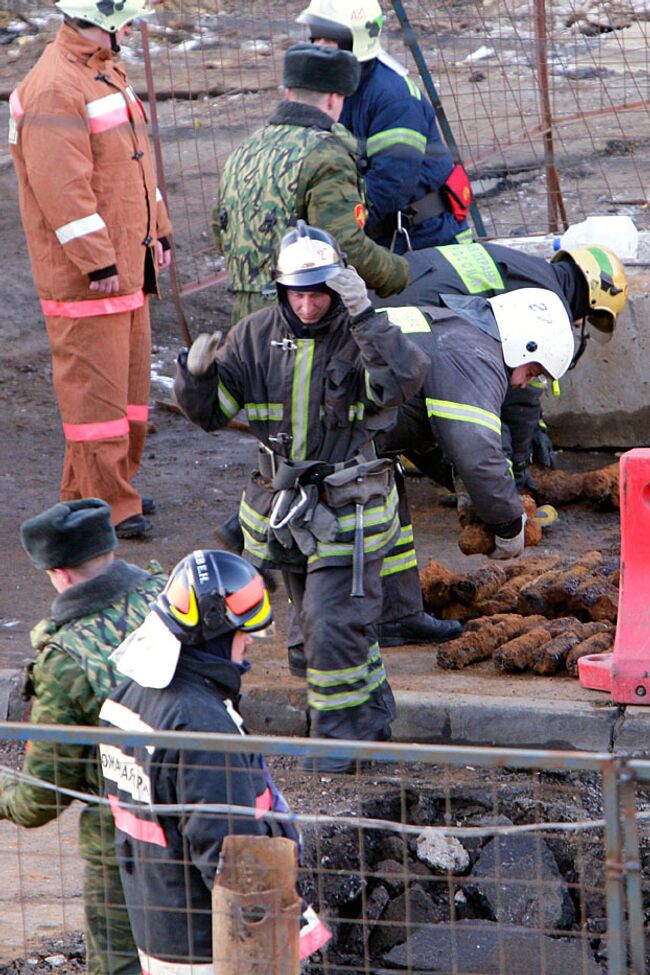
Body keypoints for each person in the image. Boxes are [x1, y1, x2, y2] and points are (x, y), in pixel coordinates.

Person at [175, 221, 429, 767]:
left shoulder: (360, 333)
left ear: (337, 287)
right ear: (281, 290)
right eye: (299, 293)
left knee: (332, 624)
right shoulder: (253, 335)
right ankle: (375, 714)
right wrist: (194, 378)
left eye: (320, 292)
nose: (310, 305)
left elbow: (405, 380)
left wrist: (366, 316)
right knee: (321, 628)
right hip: (282, 509)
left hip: (348, 506)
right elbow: (213, 414)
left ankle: (336, 749)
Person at [99, 549, 331, 972]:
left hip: (161, 923)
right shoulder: (201, 729)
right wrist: (269, 944)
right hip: (213, 948)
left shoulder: (129, 696)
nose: (247, 648)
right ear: (216, 635)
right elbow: (229, 858)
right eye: (244, 634)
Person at [9, 0, 173, 540]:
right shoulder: (56, 86)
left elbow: (134, 164)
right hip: (91, 275)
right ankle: (110, 504)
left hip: (127, 260)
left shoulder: (105, 68)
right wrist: (96, 258)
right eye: (125, 19)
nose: (129, 27)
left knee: (124, 397)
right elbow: (63, 189)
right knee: (94, 399)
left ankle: (101, 489)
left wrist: (161, 229)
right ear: (97, 17)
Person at [0, 499, 166, 975]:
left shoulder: (65, 658)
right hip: (203, 819)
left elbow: (38, 800)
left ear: (58, 572)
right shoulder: (169, 599)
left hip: (123, 848)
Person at [370, 241, 629, 485]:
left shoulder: (527, 268)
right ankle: (485, 499)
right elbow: (520, 396)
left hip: (378, 305)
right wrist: (517, 468)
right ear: (591, 298)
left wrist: (535, 426)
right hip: (407, 330)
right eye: (587, 316)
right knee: (474, 427)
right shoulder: (546, 306)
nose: (576, 323)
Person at [214, 41, 408, 324]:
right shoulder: (326, 155)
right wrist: (397, 273)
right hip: (300, 316)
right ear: (334, 98)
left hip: (245, 319)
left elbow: (221, 232)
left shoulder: (245, 149)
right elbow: (345, 245)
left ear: (289, 92)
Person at [296, 0, 473, 252]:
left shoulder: (394, 97)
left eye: (329, 39)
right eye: (316, 37)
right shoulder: (333, 87)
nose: (318, 47)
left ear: (355, 40)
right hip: (376, 235)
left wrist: (333, 230)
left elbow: (390, 187)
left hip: (425, 241)